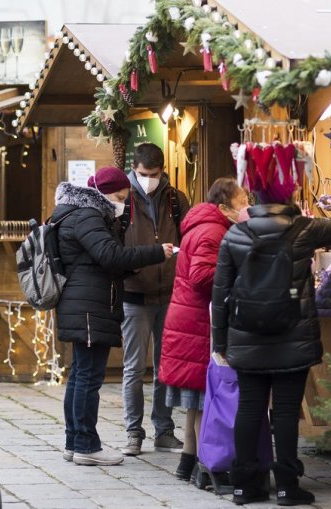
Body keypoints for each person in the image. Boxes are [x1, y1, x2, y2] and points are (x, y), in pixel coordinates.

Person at [212, 193, 331, 506]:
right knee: (286, 412)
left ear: (254, 201)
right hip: (293, 334)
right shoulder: (303, 229)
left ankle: (244, 486)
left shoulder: (235, 234)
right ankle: (287, 487)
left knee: (249, 408)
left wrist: (221, 343)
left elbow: (221, 292)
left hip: (246, 336)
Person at [52, 168, 172, 467]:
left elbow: (99, 259)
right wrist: (157, 252)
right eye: (120, 197)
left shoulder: (76, 211)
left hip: (84, 302)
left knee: (79, 375)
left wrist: (127, 266)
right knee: (88, 377)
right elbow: (110, 256)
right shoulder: (88, 215)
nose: (122, 202)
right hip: (90, 305)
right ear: (105, 193)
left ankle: (73, 442)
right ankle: (86, 444)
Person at [160, 178, 250, 480]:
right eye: (242, 202)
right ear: (224, 207)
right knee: (202, 399)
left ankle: (187, 461)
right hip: (197, 323)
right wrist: (239, 277)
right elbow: (201, 276)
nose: (247, 207)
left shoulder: (206, 226)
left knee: (195, 401)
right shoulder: (213, 230)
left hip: (188, 320)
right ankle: (208, 467)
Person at [120, 143, 191, 456]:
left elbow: (188, 238)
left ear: (163, 170)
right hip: (134, 293)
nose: (149, 179)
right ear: (134, 168)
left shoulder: (176, 198)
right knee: (134, 368)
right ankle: (133, 432)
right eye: (144, 174)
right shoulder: (122, 200)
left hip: (169, 293)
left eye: (155, 174)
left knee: (166, 367)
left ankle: (164, 431)